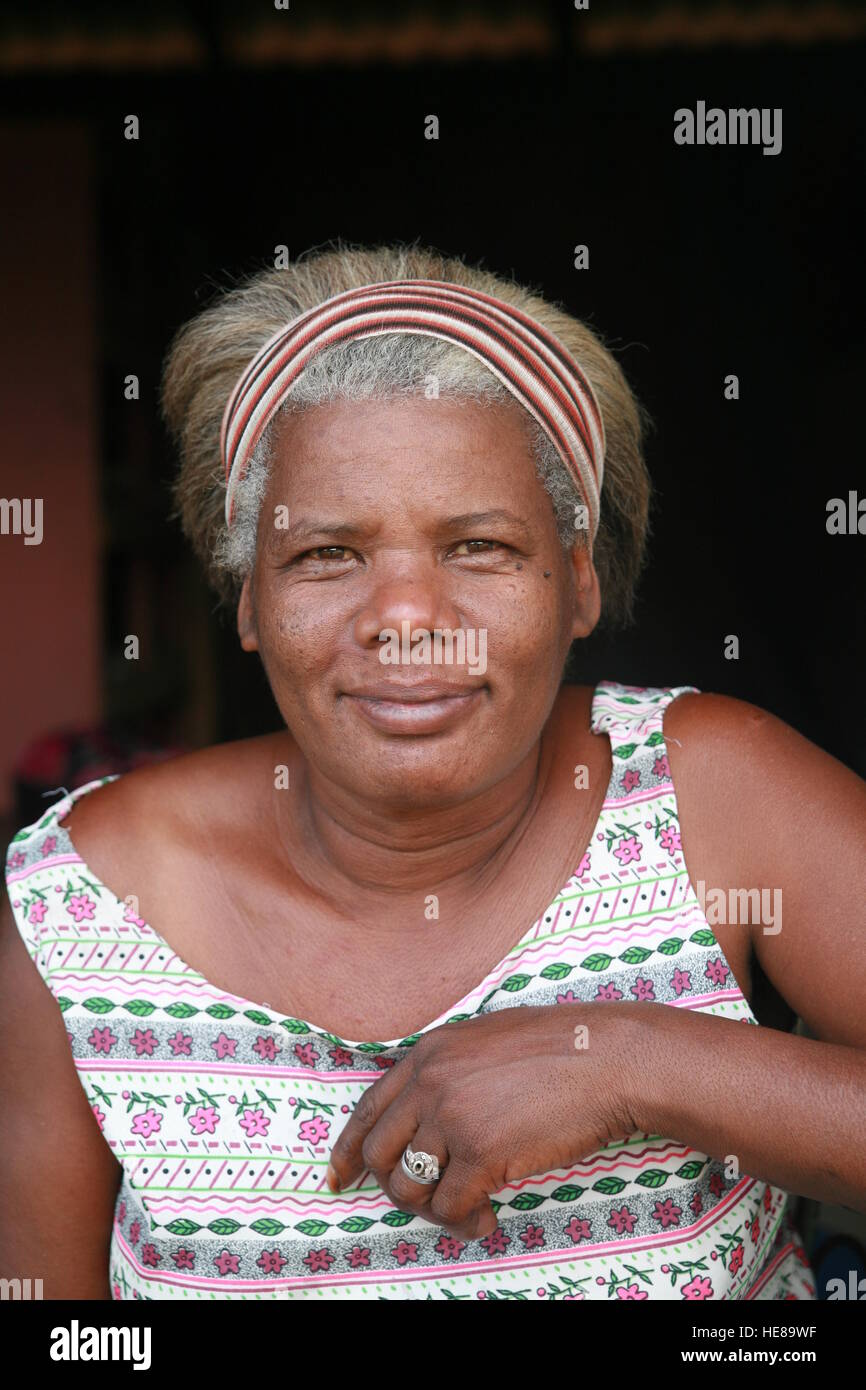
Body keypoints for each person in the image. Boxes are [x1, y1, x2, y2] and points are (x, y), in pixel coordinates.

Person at [3, 244, 864, 1302]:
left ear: (578, 582)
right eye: (326, 554)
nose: (405, 619)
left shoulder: (707, 794)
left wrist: (634, 1063)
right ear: (246, 598)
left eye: (478, 547)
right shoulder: (81, 902)